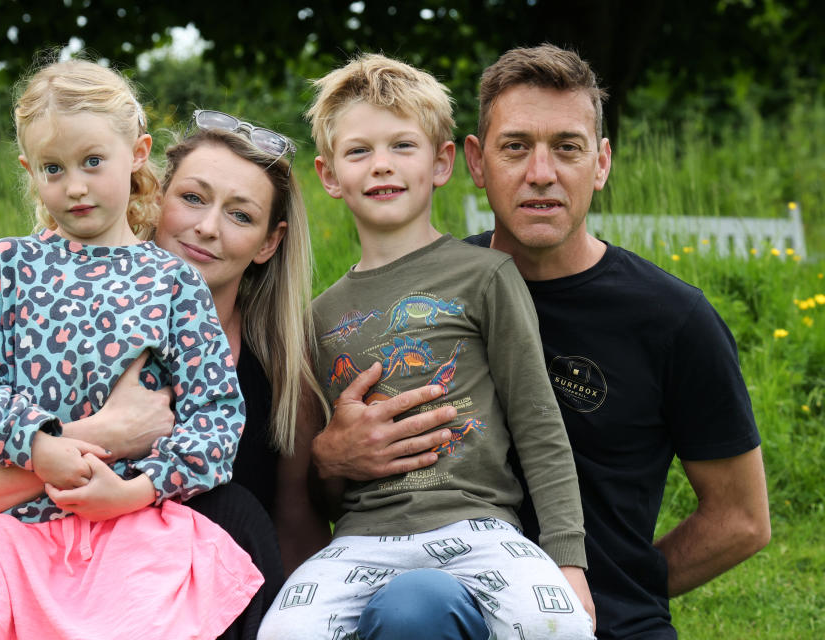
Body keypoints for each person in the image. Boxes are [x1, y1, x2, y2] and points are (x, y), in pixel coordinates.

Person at [311, 44, 771, 639]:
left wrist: (624, 584)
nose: (541, 173)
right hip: (436, 609)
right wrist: (330, 456)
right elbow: (306, 486)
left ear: (601, 163)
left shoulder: (673, 318)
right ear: (475, 163)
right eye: (516, 146)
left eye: (568, 148)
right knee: (415, 608)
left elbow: (742, 519)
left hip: (595, 620)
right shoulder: (421, 296)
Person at [0, 108, 332, 639]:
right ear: (155, 195)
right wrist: (105, 435)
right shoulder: (62, 329)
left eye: (240, 215)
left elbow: (293, 528)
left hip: (187, 596)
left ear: (268, 243)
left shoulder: (280, 370)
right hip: (60, 559)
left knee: (231, 509)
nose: (207, 226)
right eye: (192, 198)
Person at [258, 53, 595, 640]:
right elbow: (324, 479)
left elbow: (539, 424)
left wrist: (568, 560)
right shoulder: (316, 315)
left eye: (402, 147)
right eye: (359, 151)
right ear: (330, 175)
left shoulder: (486, 276)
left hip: (477, 528)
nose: (381, 166)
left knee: (558, 626)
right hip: (363, 539)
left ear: (441, 163)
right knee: (282, 631)